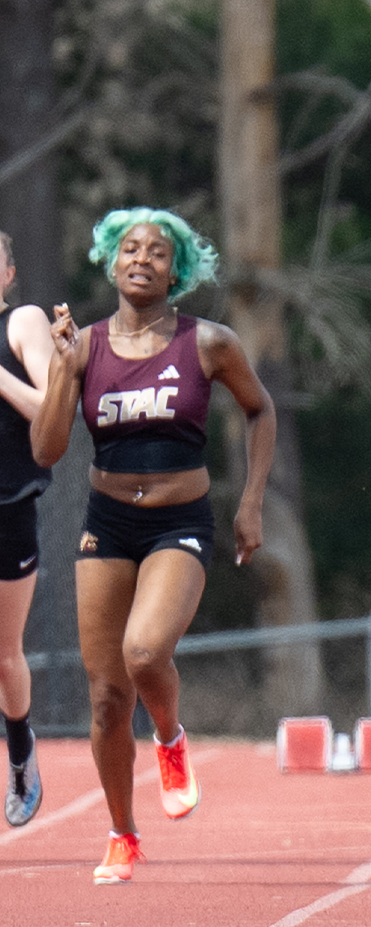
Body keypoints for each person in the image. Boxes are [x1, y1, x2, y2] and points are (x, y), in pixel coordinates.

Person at [34, 209, 277, 883]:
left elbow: (260, 409)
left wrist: (251, 501)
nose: (143, 258)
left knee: (145, 652)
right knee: (108, 696)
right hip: (106, 523)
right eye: (129, 249)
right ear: (111, 264)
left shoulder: (209, 344)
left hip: (179, 521)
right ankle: (122, 833)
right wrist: (59, 371)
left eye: (159, 252)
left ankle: (169, 737)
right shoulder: (83, 347)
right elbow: (47, 449)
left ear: (178, 271)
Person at [0, 232, 53, 828]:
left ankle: (20, 754)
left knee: (5, 657)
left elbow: (49, 406)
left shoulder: (23, 323)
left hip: (7, 504)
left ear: (9, 274)